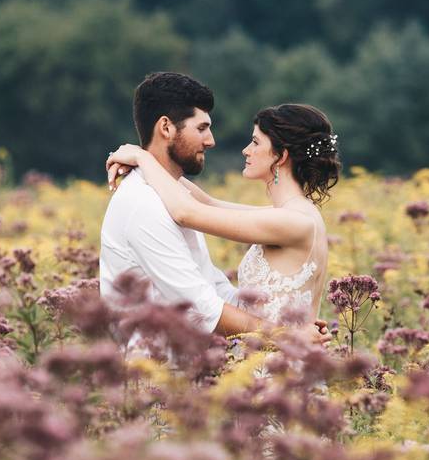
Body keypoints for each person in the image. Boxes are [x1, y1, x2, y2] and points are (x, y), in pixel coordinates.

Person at [99, 72, 328, 344]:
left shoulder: (295, 220)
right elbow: (206, 204)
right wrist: (145, 160)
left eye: (255, 142)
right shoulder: (145, 203)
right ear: (166, 128)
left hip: (266, 364)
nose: (212, 141)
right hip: (155, 372)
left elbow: (191, 212)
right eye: (201, 128)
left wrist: (141, 157)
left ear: (281, 156)